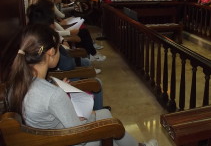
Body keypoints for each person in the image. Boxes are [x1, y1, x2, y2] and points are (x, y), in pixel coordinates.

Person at [5, 24, 158, 146]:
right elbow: (80, 136)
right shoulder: (52, 94)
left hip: (45, 136)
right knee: (110, 125)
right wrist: (89, 117)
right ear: (51, 52)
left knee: (105, 116)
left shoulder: (19, 81)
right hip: (66, 140)